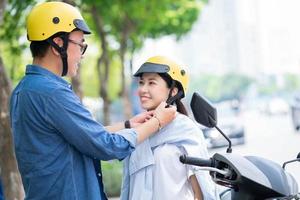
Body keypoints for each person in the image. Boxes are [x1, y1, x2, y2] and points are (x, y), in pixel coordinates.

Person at [9, 2, 176, 200]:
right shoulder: (52, 93)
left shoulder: (24, 90)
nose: (81, 54)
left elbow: (79, 138)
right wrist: (157, 122)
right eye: (80, 45)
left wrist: (128, 125)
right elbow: (105, 145)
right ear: (58, 44)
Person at [120, 56, 218, 200]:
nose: (143, 89)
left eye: (151, 83)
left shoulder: (186, 130)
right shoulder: (138, 132)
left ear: (173, 91)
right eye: (141, 83)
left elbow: (201, 191)